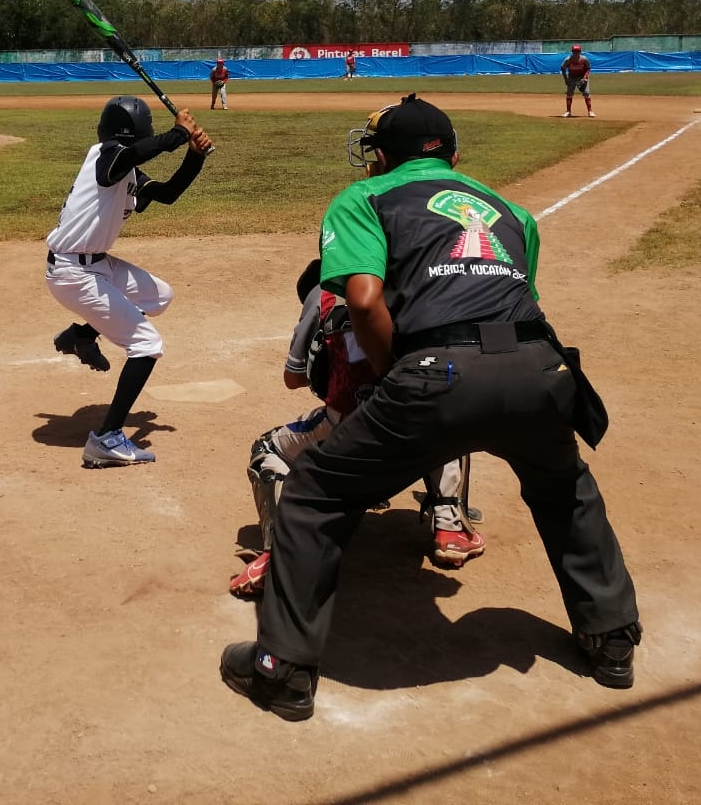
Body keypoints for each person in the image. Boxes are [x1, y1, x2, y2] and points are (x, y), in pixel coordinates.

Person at [220, 94, 640, 722]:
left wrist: (396, 375)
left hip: (437, 371)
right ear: (453, 154)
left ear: (381, 156)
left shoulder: (365, 197)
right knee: (564, 488)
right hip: (541, 368)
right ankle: (611, 641)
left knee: (314, 492)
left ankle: (282, 670)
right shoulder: (512, 210)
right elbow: (514, 301)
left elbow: (363, 300)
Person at [228, 256, 483, 598]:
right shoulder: (410, 283)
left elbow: (293, 378)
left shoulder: (322, 294)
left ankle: (282, 553)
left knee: (266, 449)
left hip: (351, 424)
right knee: (444, 408)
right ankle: (452, 528)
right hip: (417, 420)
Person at [45, 95, 212, 468]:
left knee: (160, 296)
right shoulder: (105, 157)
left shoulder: (127, 169)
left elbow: (167, 195)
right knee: (147, 343)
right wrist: (175, 135)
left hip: (96, 265)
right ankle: (106, 439)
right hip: (73, 273)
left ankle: (82, 335)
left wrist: (193, 155)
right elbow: (124, 158)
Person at [561, 44, 594, 118]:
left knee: (586, 93)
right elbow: (563, 68)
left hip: (582, 77)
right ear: (572, 52)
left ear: (580, 52)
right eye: (574, 51)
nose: (576, 53)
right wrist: (566, 79)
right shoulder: (568, 60)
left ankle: (590, 111)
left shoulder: (584, 59)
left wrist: (585, 77)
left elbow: (588, 68)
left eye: (578, 51)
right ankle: (568, 112)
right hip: (572, 77)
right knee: (569, 94)